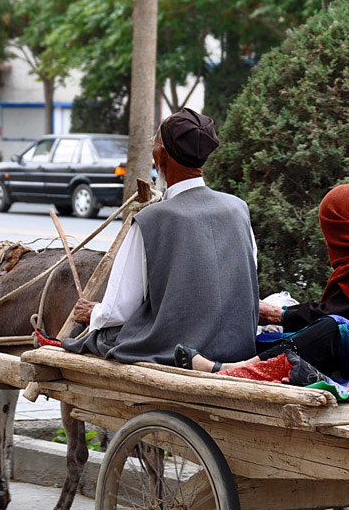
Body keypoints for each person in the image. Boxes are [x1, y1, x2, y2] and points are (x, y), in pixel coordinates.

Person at [178, 184, 349, 380]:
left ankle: (235, 370)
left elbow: (341, 313)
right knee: (283, 339)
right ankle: (231, 361)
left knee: (331, 331)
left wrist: (279, 313)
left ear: (344, 224)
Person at [62, 108, 259, 366]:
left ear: (161, 156)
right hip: (239, 346)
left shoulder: (152, 220)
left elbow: (117, 310)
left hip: (177, 351)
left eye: (154, 145)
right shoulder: (238, 208)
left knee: (88, 337)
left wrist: (93, 313)